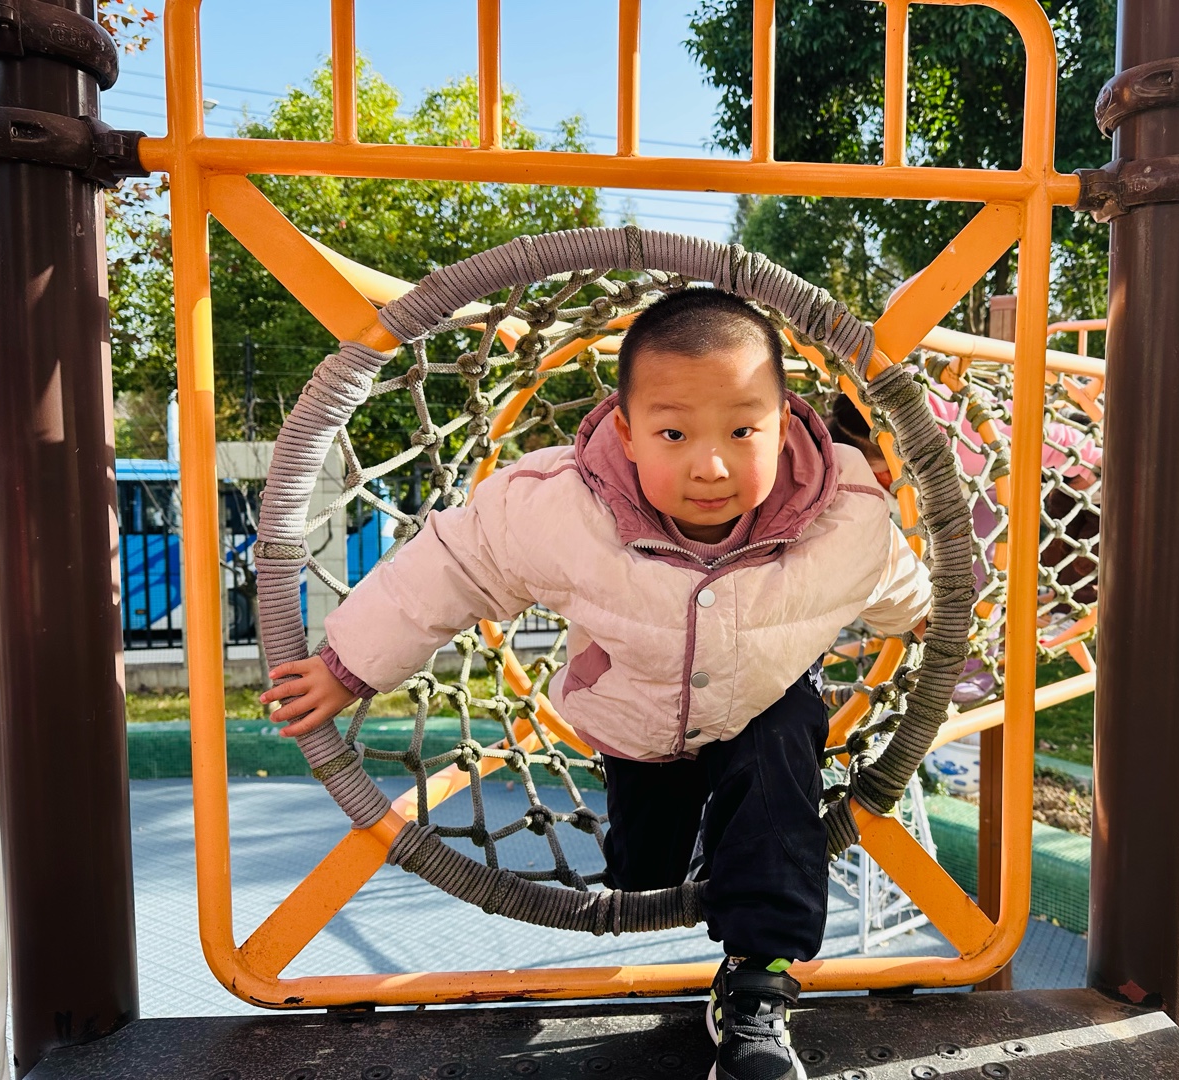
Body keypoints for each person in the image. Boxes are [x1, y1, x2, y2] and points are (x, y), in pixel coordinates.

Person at [260, 289, 931, 1080]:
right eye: (674, 433)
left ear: (784, 426)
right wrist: (348, 663)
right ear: (626, 433)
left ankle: (759, 987)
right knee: (647, 880)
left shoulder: (839, 509)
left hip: (762, 698)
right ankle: (692, 854)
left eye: (742, 431)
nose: (710, 465)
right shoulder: (561, 508)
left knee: (782, 758)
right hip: (637, 719)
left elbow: (886, 574)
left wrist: (925, 616)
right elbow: (455, 565)